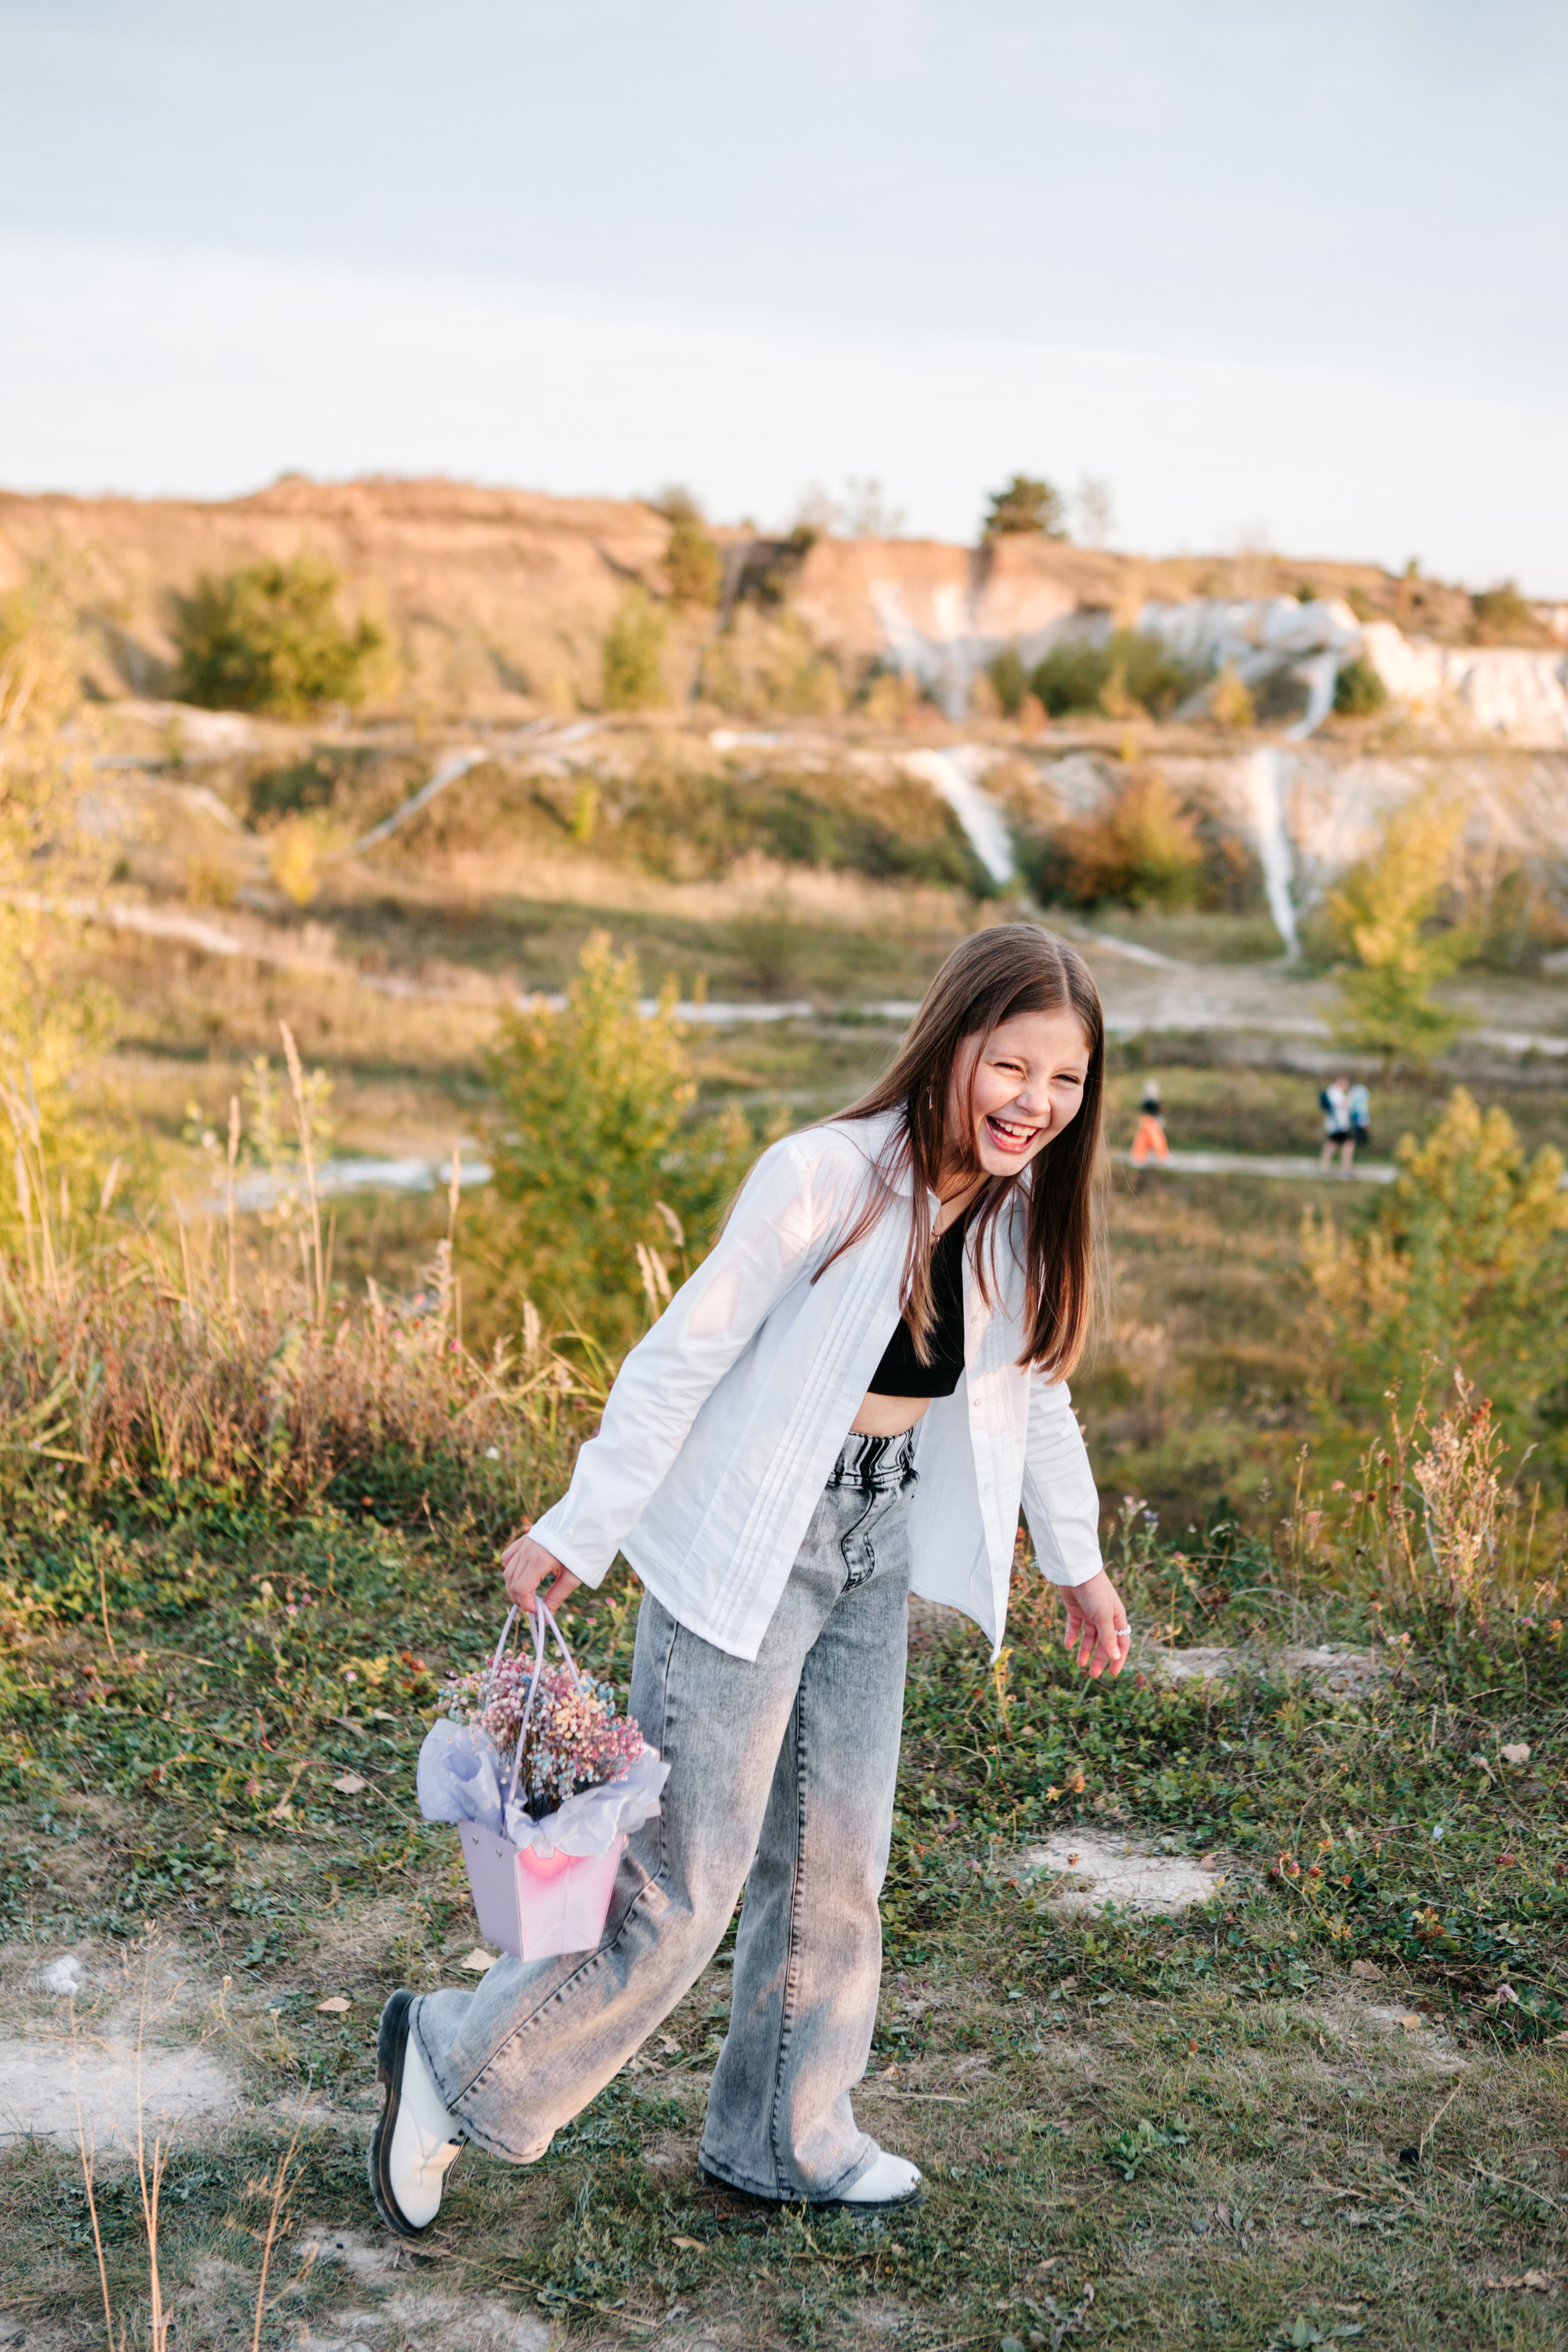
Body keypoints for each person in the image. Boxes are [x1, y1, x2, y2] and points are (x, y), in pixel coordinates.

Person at [368, 925, 1131, 2236]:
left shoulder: (1014, 1220)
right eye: (1010, 1067)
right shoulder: (823, 1176)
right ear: (950, 1045)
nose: (1033, 1104)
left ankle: (783, 2136)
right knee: (683, 1881)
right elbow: (680, 1356)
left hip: (872, 1546)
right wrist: (581, 1520)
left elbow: (1034, 1402)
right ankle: (451, 2063)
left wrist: (1080, 1568)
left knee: (836, 1864)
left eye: (1062, 1083)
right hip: (749, 1542)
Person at [1129, 1076, 1170, 1166]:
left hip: (1154, 1121)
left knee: (1153, 1139)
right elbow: (1144, 1108)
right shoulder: (1147, 1099)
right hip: (1148, 1121)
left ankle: (1162, 1157)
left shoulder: (1157, 1098)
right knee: (1147, 1139)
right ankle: (1139, 1157)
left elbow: (1161, 1109)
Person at [1319, 1074, 1352, 1171]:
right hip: (1337, 1125)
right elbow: (1343, 1105)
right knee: (1343, 1144)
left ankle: (1327, 1165)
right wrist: (1349, 1098)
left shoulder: (1335, 1092)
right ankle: (1343, 1166)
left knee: (1335, 1144)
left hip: (1339, 1125)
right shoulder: (1334, 1092)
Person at [1347, 1080, 1371, 1161]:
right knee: (1351, 1142)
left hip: (1355, 1120)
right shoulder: (1360, 1104)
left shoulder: (1357, 1101)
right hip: (1356, 1121)